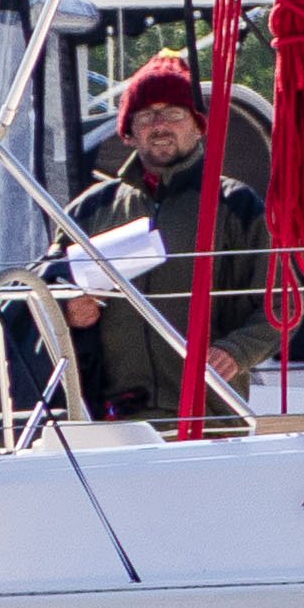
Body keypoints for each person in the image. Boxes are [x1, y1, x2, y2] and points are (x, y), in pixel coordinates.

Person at [56, 55, 212, 426]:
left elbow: (278, 307)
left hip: (216, 417)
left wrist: (235, 352)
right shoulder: (90, 209)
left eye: (174, 112)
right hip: (113, 423)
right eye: (145, 116)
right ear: (129, 131)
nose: (159, 125)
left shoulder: (235, 207)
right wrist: (69, 312)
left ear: (198, 124)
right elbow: (42, 290)